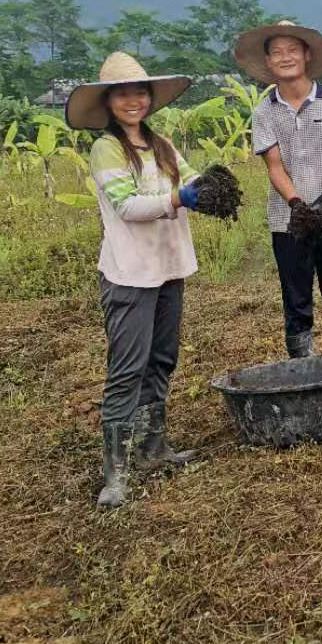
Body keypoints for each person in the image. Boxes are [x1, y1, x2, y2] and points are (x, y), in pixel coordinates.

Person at [65, 52, 206, 508]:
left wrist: (209, 186)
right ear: (108, 101)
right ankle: (116, 474)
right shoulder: (106, 148)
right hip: (130, 274)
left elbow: (191, 178)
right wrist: (179, 199)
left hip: (168, 267)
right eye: (123, 93)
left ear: (150, 98)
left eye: (141, 92)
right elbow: (127, 206)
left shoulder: (160, 144)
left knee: (161, 359)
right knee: (127, 369)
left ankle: (153, 447)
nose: (134, 100)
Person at [235, 20, 322, 358]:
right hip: (287, 222)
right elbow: (274, 166)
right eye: (277, 52)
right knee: (296, 303)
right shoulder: (264, 112)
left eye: (292, 50)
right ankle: (302, 370)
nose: (285, 57)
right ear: (268, 61)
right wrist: (296, 205)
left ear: (307, 55)